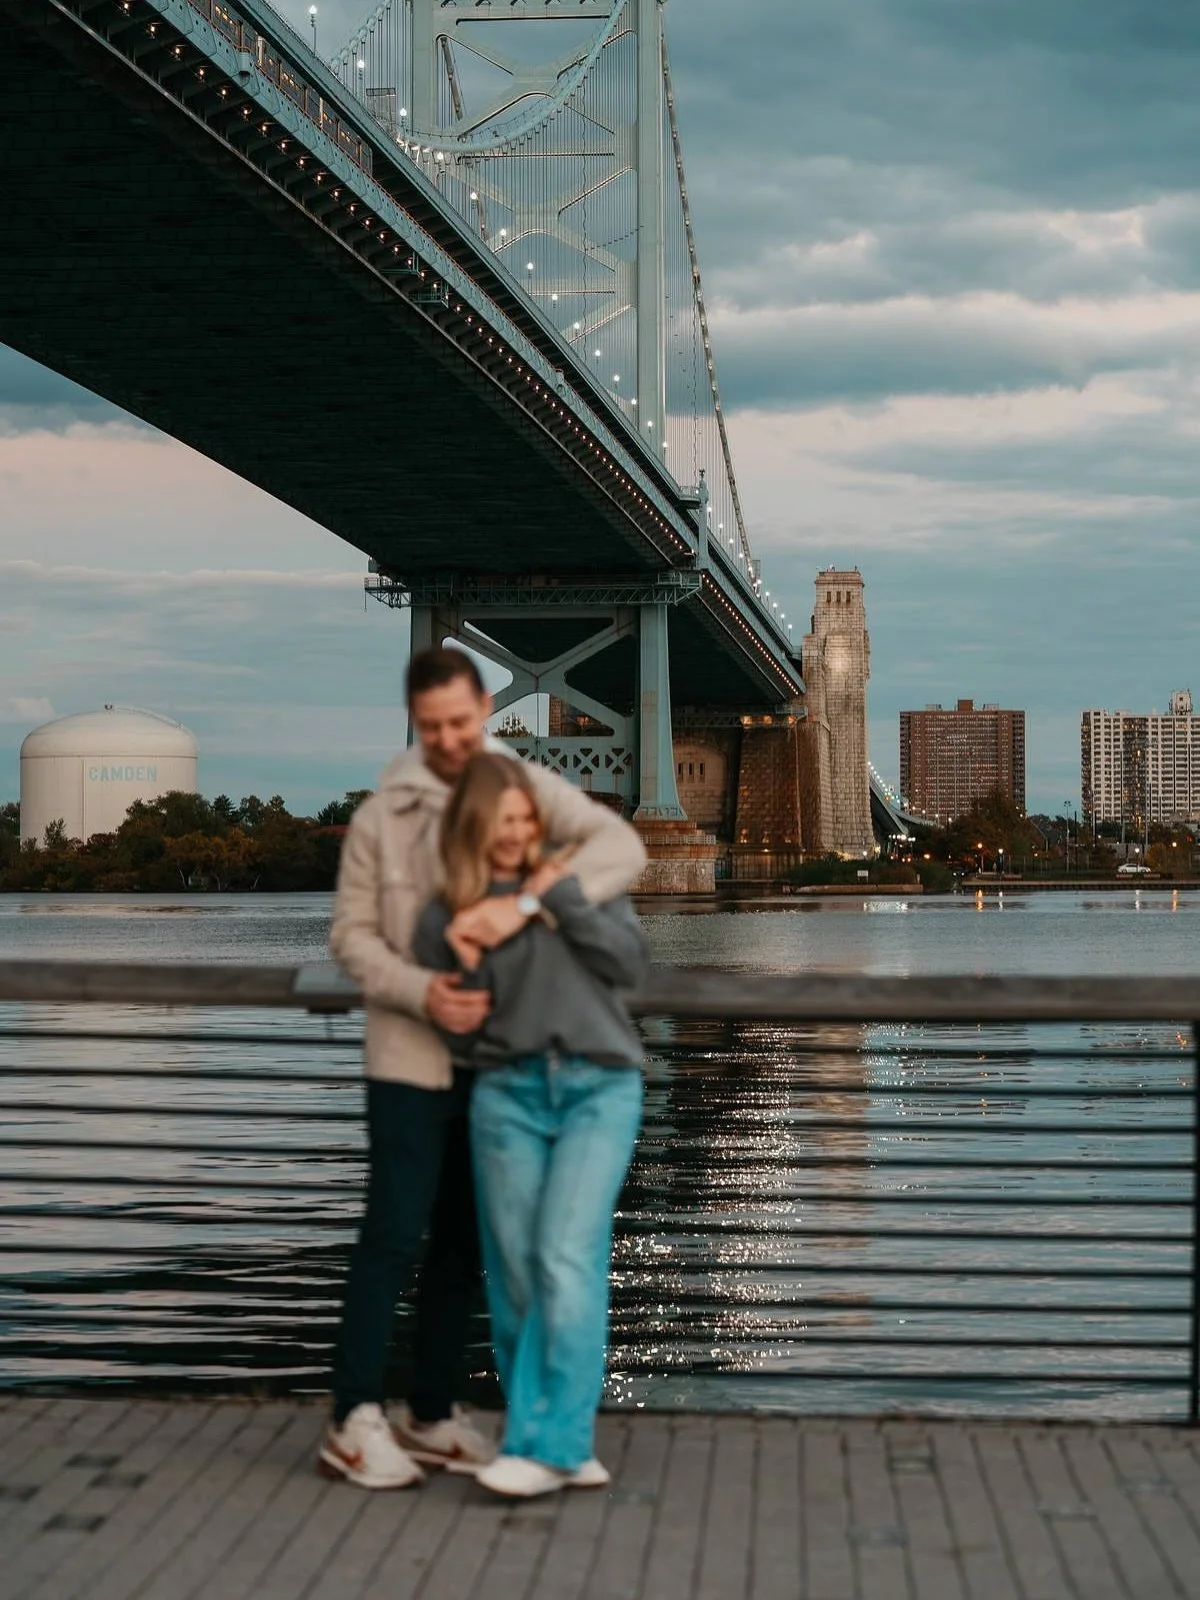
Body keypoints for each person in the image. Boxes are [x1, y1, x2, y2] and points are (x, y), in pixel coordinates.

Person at [319, 646, 646, 1490]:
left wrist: (526, 902)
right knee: (393, 1236)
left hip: (504, 1064)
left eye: (463, 722)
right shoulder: (379, 818)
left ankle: (431, 1412)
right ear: (414, 722)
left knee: (472, 1251)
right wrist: (424, 989)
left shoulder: (518, 785)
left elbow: (620, 848)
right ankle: (354, 1418)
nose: (450, 739)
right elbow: (351, 939)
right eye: (432, 727)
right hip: (411, 1054)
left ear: (483, 710)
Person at [413, 752, 647, 1499]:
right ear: (474, 827)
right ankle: (554, 1444)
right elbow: (455, 1026)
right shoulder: (445, 911)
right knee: (514, 1275)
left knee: (565, 1258)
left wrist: (552, 904)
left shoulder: (582, 879)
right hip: (506, 1093)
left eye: (525, 819)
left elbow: (628, 966)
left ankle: (550, 1443)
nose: (516, 833)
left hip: (598, 1087)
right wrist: (462, 961)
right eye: (501, 821)